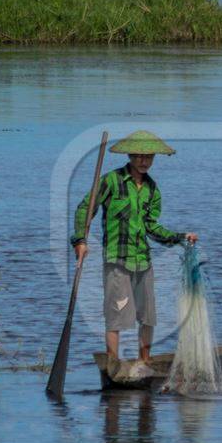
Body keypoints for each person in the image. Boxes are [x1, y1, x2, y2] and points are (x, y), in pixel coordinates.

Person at [70, 130, 198, 364]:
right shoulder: (111, 181)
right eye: (139, 156)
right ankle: (112, 363)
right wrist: (80, 241)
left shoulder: (152, 189)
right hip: (117, 260)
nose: (144, 161)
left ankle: (145, 362)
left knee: (148, 316)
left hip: (143, 260)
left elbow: (151, 227)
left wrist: (180, 237)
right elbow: (84, 208)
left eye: (148, 157)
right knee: (116, 315)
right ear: (129, 156)